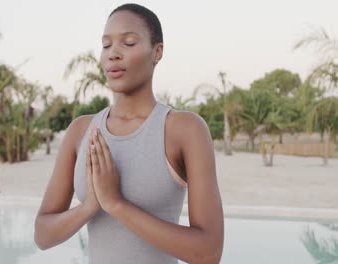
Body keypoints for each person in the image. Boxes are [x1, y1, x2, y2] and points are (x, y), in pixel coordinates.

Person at [34, 3, 224, 263]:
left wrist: (116, 204)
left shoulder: (184, 129)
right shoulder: (81, 130)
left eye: (129, 43)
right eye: (106, 45)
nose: (113, 53)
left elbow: (208, 253)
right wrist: (89, 207)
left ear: (157, 52)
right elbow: (42, 235)